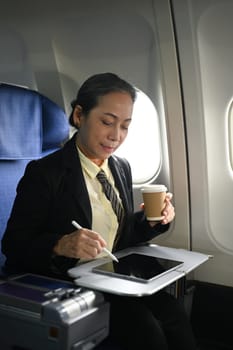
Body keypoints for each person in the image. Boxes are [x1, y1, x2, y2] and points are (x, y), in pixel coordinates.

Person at [2, 73, 196, 350]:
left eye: (125, 126)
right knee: (146, 328)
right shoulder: (45, 173)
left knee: (174, 314)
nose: (116, 136)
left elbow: (123, 236)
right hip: (72, 280)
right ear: (80, 115)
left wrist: (154, 220)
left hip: (114, 275)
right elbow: (13, 244)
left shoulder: (120, 167)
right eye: (107, 122)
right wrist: (61, 244)